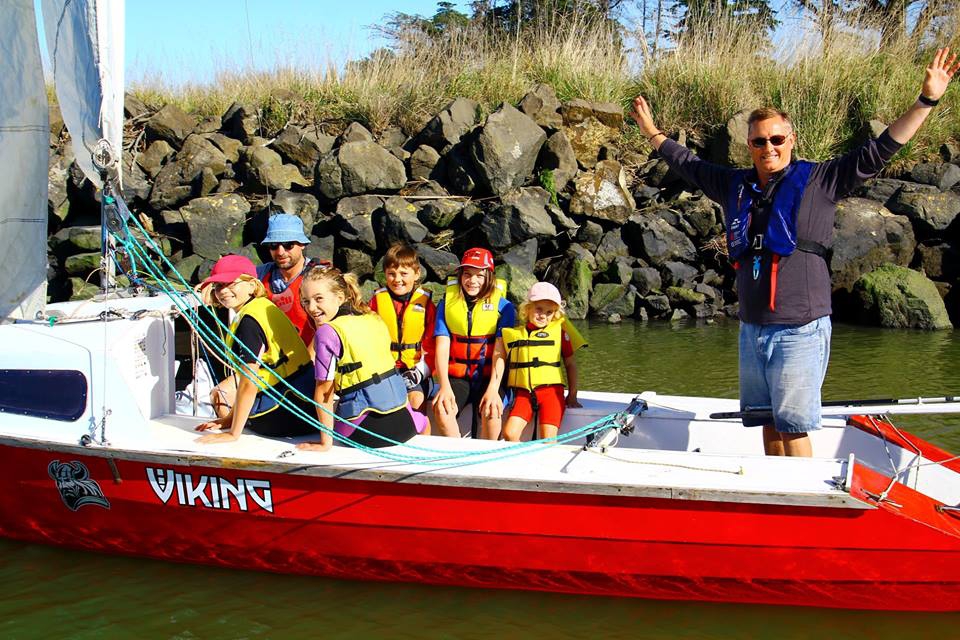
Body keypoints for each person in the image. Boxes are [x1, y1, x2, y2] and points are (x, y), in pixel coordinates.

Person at [629, 47, 960, 457]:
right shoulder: (733, 185)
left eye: (777, 139)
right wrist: (651, 131)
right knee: (767, 425)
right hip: (753, 327)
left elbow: (881, 149)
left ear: (791, 140)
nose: (768, 147)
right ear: (748, 145)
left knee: (794, 428)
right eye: (759, 141)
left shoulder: (822, 179)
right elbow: (688, 163)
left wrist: (926, 100)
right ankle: (779, 503)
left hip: (800, 327)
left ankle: (807, 503)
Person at [296, 265, 425, 452]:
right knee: (425, 422)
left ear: (340, 298)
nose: (311, 308)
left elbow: (324, 392)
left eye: (318, 299)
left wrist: (325, 443)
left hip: (367, 428)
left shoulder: (327, 332)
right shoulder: (372, 317)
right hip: (408, 423)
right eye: (306, 302)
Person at [194, 254, 317, 443]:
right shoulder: (262, 306)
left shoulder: (249, 323)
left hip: (284, 413)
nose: (224, 291)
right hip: (306, 407)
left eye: (231, 283)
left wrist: (233, 433)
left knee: (230, 398)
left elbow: (248, 383)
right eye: (218, 286)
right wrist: (228, 419)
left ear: (252, 285)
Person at [483, 282, 587, 442]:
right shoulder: (513, 334)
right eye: (539, 309)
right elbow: (499, 360)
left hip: (552, 394)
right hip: (524, 395)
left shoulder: (560, 334)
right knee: (510, 433)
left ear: (555, 314)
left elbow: (571, 365)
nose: (543, 315)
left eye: (549, 312)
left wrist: (572, 394)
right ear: (528, 308)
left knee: (548, 439)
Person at [433, 247, 516, 439]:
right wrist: (444, 386)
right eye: (467, 274)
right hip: (459, 378)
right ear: (461, 275)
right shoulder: (446, 305)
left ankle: (486, 458)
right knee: (442, 409)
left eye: (480, 275)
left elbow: (499, 352)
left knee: (492, 412)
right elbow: (442, 346)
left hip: (490, 378)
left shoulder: (505, 308)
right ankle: (456, 457)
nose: (472, 281)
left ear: (490, 277)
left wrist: (494, 389)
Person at [369, 243, 437, 420]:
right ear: (385, 274)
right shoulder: (376, 301)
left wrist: (419, 372)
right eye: (391, 274)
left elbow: (433, 346)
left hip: (414, 369)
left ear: (416, 274)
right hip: (384, 368)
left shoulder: (426, 303)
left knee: (416, 400)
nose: (397, 279)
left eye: (403, 274)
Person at [256, 213, 328, 347]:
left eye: (288, 244)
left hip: (313, 357)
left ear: (302, 244)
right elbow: (232, 278)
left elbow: (330, 324)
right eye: (273, 245)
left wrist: (310, 362)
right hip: (275, 360)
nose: (280, 252)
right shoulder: (260, 274)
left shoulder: (321, 275)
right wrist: (212, 286)